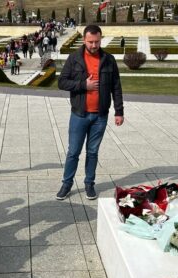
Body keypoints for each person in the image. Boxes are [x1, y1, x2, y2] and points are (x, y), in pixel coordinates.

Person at [56, 24, 124, 200]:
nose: (94, 45)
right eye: (90, 42)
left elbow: (116, 87)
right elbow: (62, 82)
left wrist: (119, 111)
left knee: (93, 152)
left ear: (101, 39)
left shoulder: (109, 59)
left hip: (100, 116)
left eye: (97, 42)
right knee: (73, 152)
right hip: (79, 114)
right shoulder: (74, 58)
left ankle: (89, 183)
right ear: (84, 40)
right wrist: (82, 85)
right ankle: (67, 183)